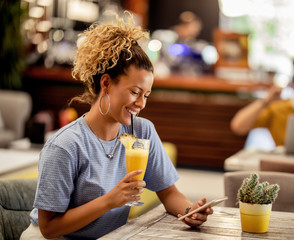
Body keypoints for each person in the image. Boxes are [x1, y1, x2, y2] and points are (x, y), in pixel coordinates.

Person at [21, 13, 213, 240]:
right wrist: (109, 201)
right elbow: (49, 228)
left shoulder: (142, 131)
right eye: (134, 92)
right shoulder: (65, 146)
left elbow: (169, 193)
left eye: (146, 95)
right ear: (106, 83)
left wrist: (190, 211)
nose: (141, 104)